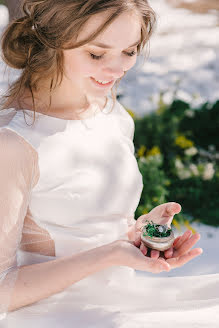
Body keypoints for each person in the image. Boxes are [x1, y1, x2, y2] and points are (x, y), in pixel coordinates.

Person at [0, 1, 216, 327]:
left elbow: (97, 229)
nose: (116, 70)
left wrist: (139, 232)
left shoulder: (109, 111)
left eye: (129, 52)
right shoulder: (14, 143)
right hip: (56, 315)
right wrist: (109, 255)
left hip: (124, 297)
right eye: (97, 54)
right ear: (52, 41)